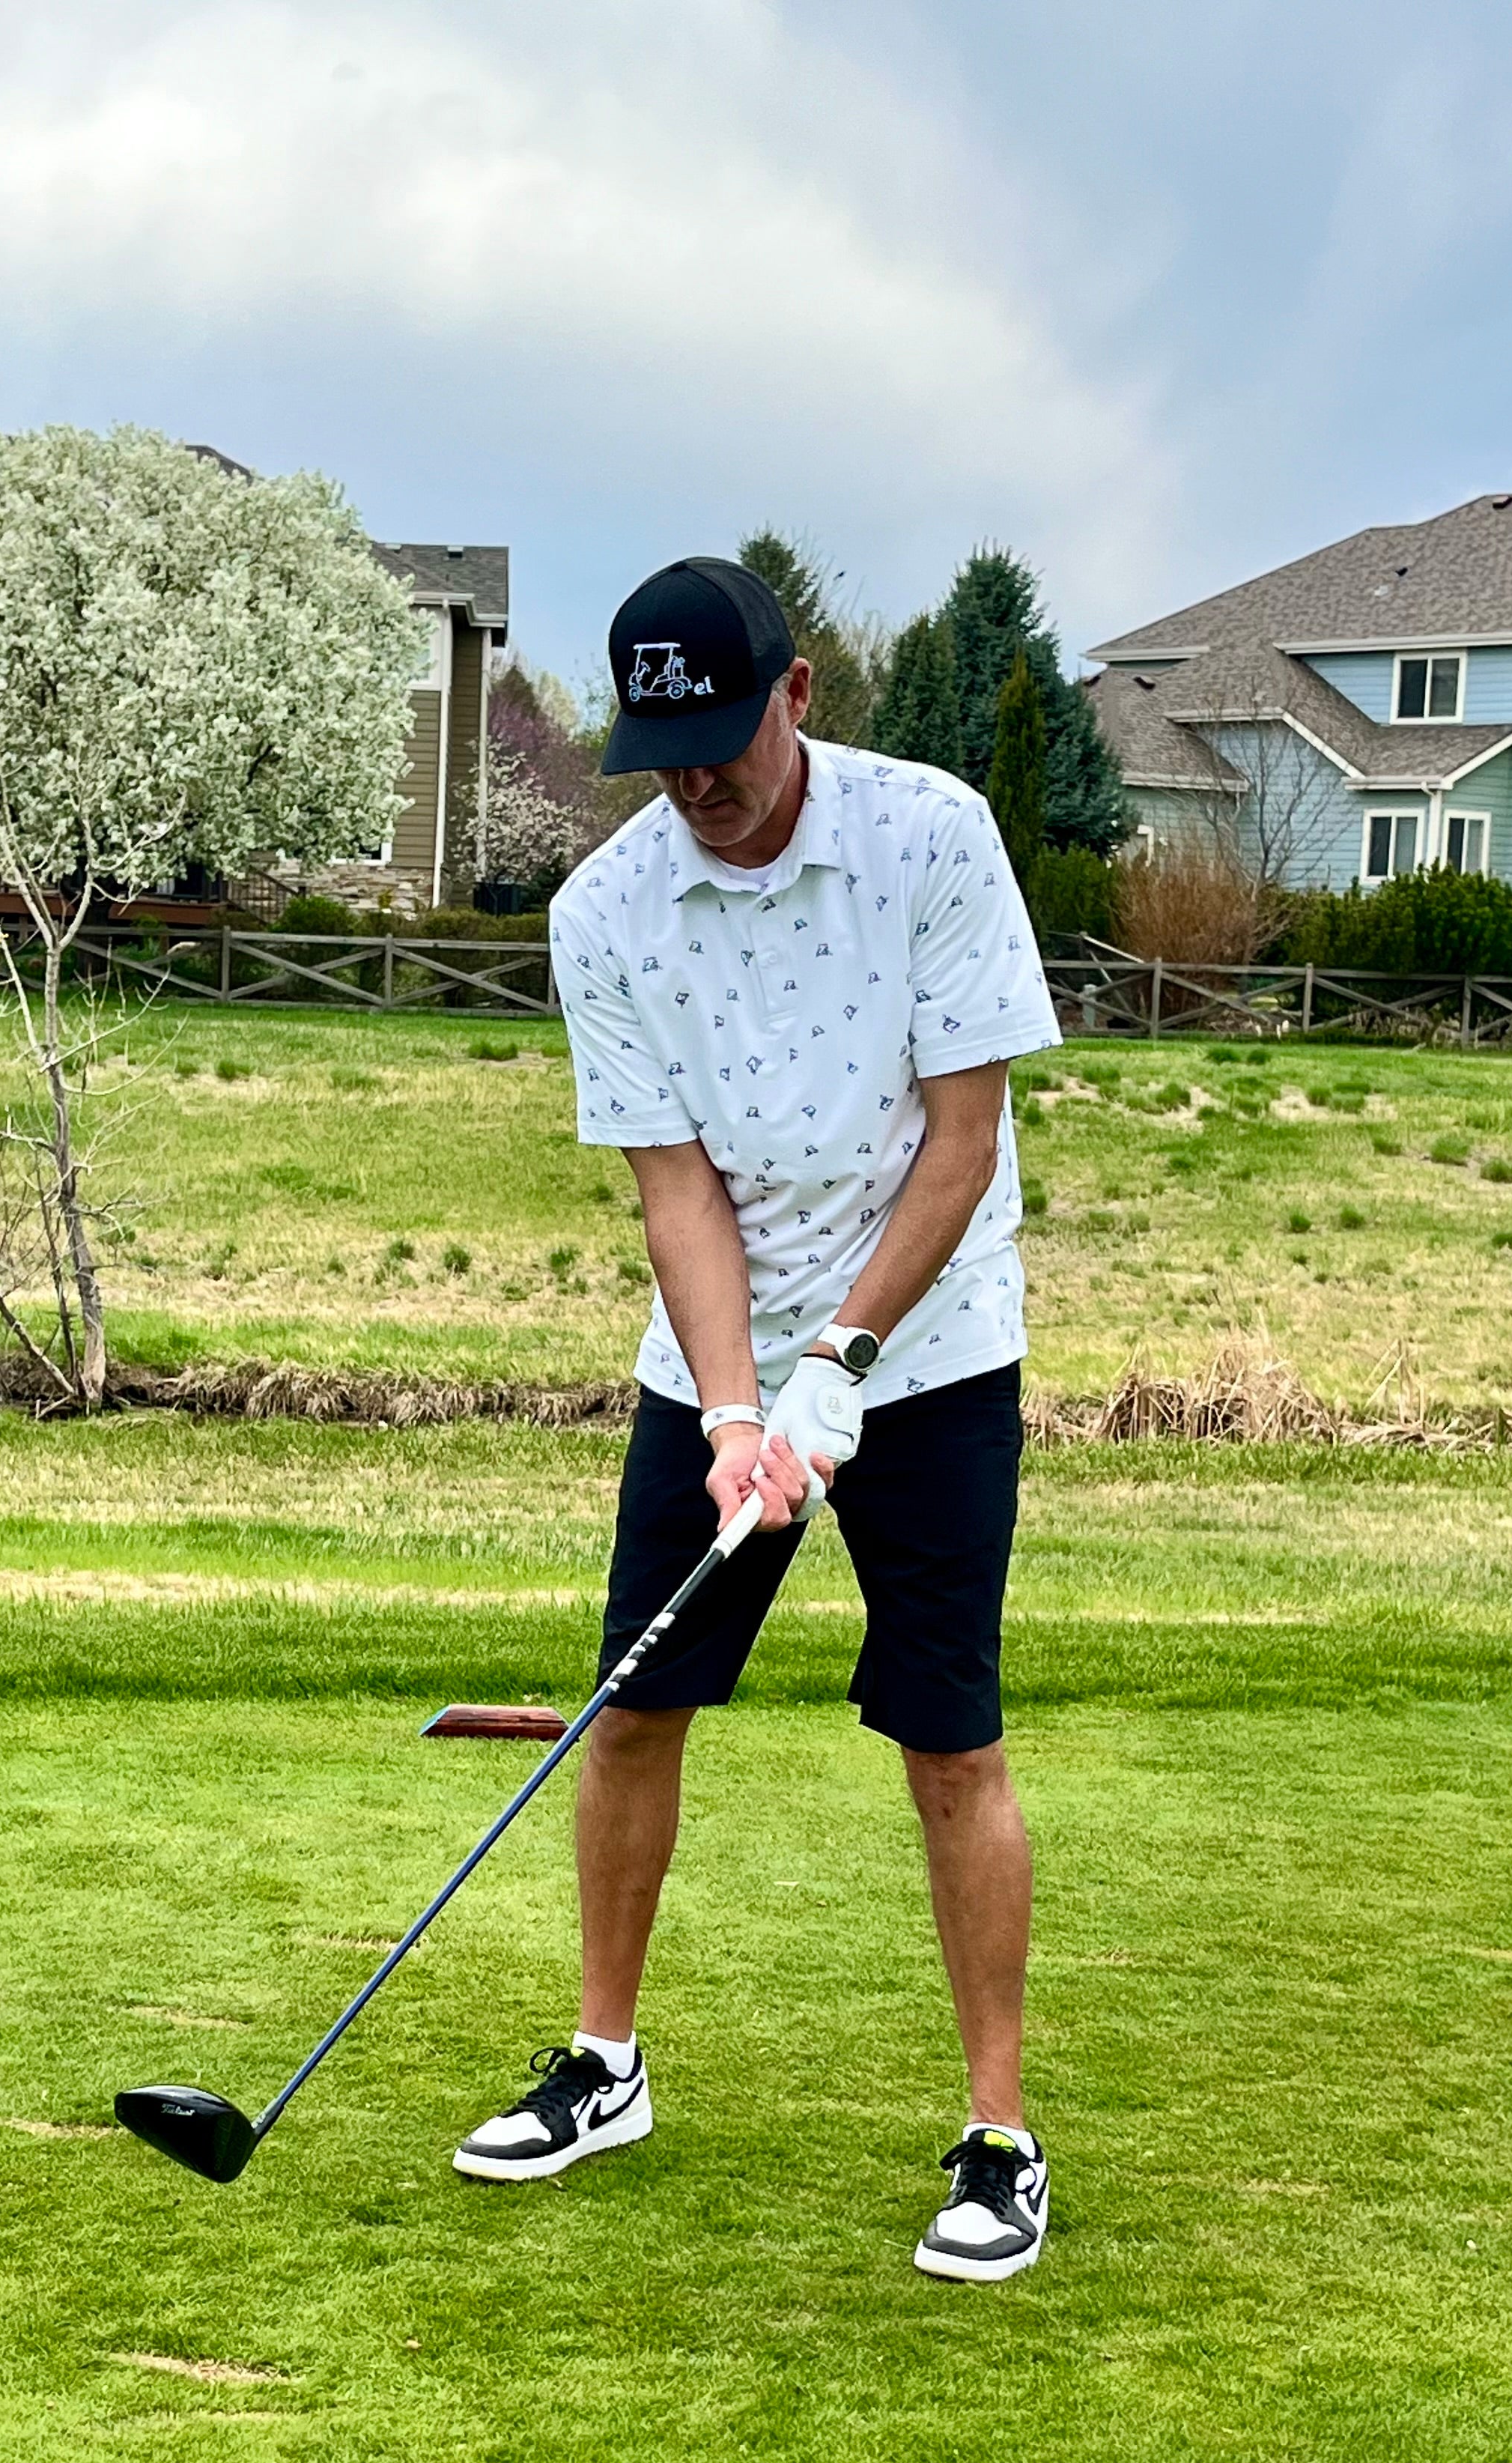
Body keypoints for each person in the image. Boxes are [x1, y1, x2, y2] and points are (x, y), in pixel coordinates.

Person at [451, 557, 1063, 2282]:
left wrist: (840, 1366)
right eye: (666, 749)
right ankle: (604, 2064)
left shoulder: (932, 834)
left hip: (933, 1347)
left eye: (724, 736)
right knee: (635, 1706)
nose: (698, 779)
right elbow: (678, 1193)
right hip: (714, 1359)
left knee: (950, 1735)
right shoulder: (609, 912)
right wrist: (736, 1407)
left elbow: (964, 1142)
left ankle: (1000, 2140)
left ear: (795, 694)